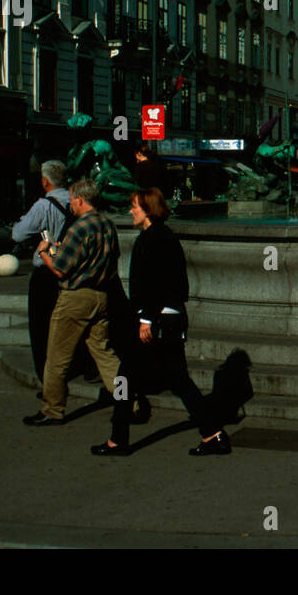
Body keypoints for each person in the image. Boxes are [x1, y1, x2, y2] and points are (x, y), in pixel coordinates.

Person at [93, 187, 228, 457]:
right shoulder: (162, 236)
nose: (130, 210)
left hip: (157, 321)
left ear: (147, 208)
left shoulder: (153, 239)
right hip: (167, 320)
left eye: (134, 206)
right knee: (176, 379)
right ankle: (213, 432)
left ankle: (118, 439)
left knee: (127, 377)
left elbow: (158, 285)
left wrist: (145, 319)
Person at [23, 179, 124, 426]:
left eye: (71, 199)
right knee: (105, 355)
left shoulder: (79, 227)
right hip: (101, 296)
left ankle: (52, 410)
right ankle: (129, 401)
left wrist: (45, 251)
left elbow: (60, 270)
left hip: (75, 298)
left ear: (79, 199)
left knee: (56, 358)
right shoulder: (107, 224)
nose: (70, 204)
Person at [11, 161, 83, 382]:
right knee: (70, 325)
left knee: (42, 327)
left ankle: (47, 377)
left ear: (45, 181)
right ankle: (76, 366)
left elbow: (18, 234)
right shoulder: (75, 202)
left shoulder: (43, 205)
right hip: (73, 270)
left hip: (46, 272)